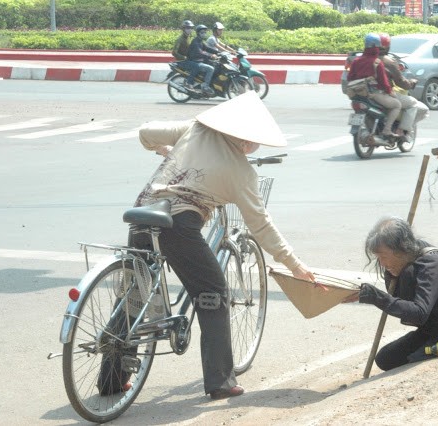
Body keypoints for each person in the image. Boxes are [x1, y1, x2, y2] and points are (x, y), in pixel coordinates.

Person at [131, 92, 316, 399]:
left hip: (142, 213)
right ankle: (220, 381)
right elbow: (260, 223)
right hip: (178, 225)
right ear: (246, 140)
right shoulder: (241, 171)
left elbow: (145, 132)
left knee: (134, 292)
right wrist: (294, 263)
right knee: (213, 294)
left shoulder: (196, 129)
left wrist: (168, 150)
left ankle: (112, 379)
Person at [347, 216, 438, 371]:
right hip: (437, 328)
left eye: (384, 257)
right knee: (385, 359)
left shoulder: (431, 263)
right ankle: (434, 347)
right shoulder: (401, 265)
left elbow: (419, 313)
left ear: (401, 248)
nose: (382, 263)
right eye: (378, 258)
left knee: (409, 274)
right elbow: (406, 307)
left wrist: (376, 297)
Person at [347, 32, 402, 140]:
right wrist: (391, 92)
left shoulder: (356, 61)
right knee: (397, 105)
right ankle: (387, 130)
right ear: (376, 47)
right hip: (373, 94)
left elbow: (350, 78)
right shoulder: (377, 62)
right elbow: (384, 82)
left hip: (357, 95)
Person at [378, 33, 429, 144]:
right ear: (387, 47)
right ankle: (400, 130)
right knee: (413, 104)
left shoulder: (363, 59)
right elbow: (400, 82)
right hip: (383, 94)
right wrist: (411, 84)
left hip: (365, 93)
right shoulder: (387, 62)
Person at [187, 24, 220, 95]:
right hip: (195, 61)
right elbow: (200, 52)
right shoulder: (195, 42)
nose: (204, 33)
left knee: (215, 65)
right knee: (210, 69)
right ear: (198, 33)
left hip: (199, 60)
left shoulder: (200, 41)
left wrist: (219, 53)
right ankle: (205, 86)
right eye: (202, 32)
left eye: (205, 32)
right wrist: (211, 56)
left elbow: (207, 48)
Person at [172, 20, 199, 85]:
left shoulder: (188, 38)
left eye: (191, 28)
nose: (190, 30)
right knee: (196, 66)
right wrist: (184, 57)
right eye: (188, 28)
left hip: (188, 59)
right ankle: (189, 83)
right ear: (183, 29)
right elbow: (174, 52)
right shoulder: (180, 39)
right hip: (182, 61)